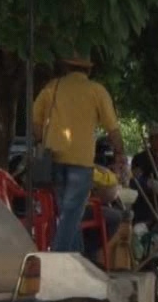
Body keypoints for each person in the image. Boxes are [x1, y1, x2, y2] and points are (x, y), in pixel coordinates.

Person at [32, 55, 126, 252]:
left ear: (66, 68)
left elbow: (36, 121)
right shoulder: (96, 90)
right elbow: (113, 129)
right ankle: (59, 258)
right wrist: (120, 153)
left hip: (54, 160)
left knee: (68, 215)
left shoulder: (52, 87)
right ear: (88, 71)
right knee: (70, 215)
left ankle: (80, 260)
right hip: (80, 163)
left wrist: (42, 141)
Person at [131, 124, 158, 226]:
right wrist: (149, 183)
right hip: (145, 208)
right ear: (150, 140)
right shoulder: (141, 158)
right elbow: (134, 179)